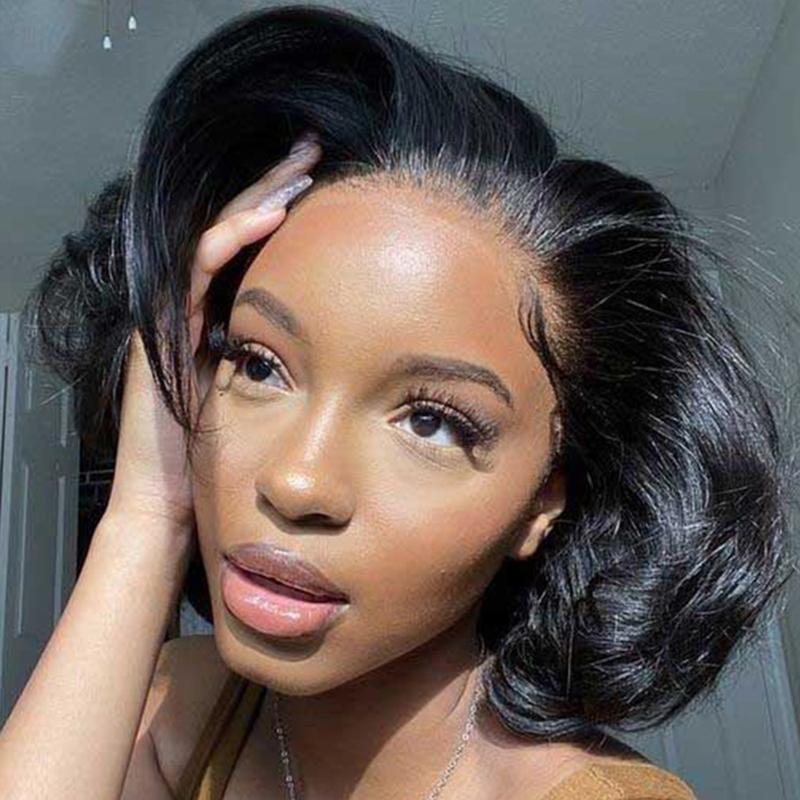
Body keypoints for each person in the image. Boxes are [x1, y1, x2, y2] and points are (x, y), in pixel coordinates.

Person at [0, 5, 792, 799]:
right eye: (259, 365)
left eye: (430, 421)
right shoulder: (182, 701)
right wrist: (147, 515)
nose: (297, 483)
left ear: (542, 503)